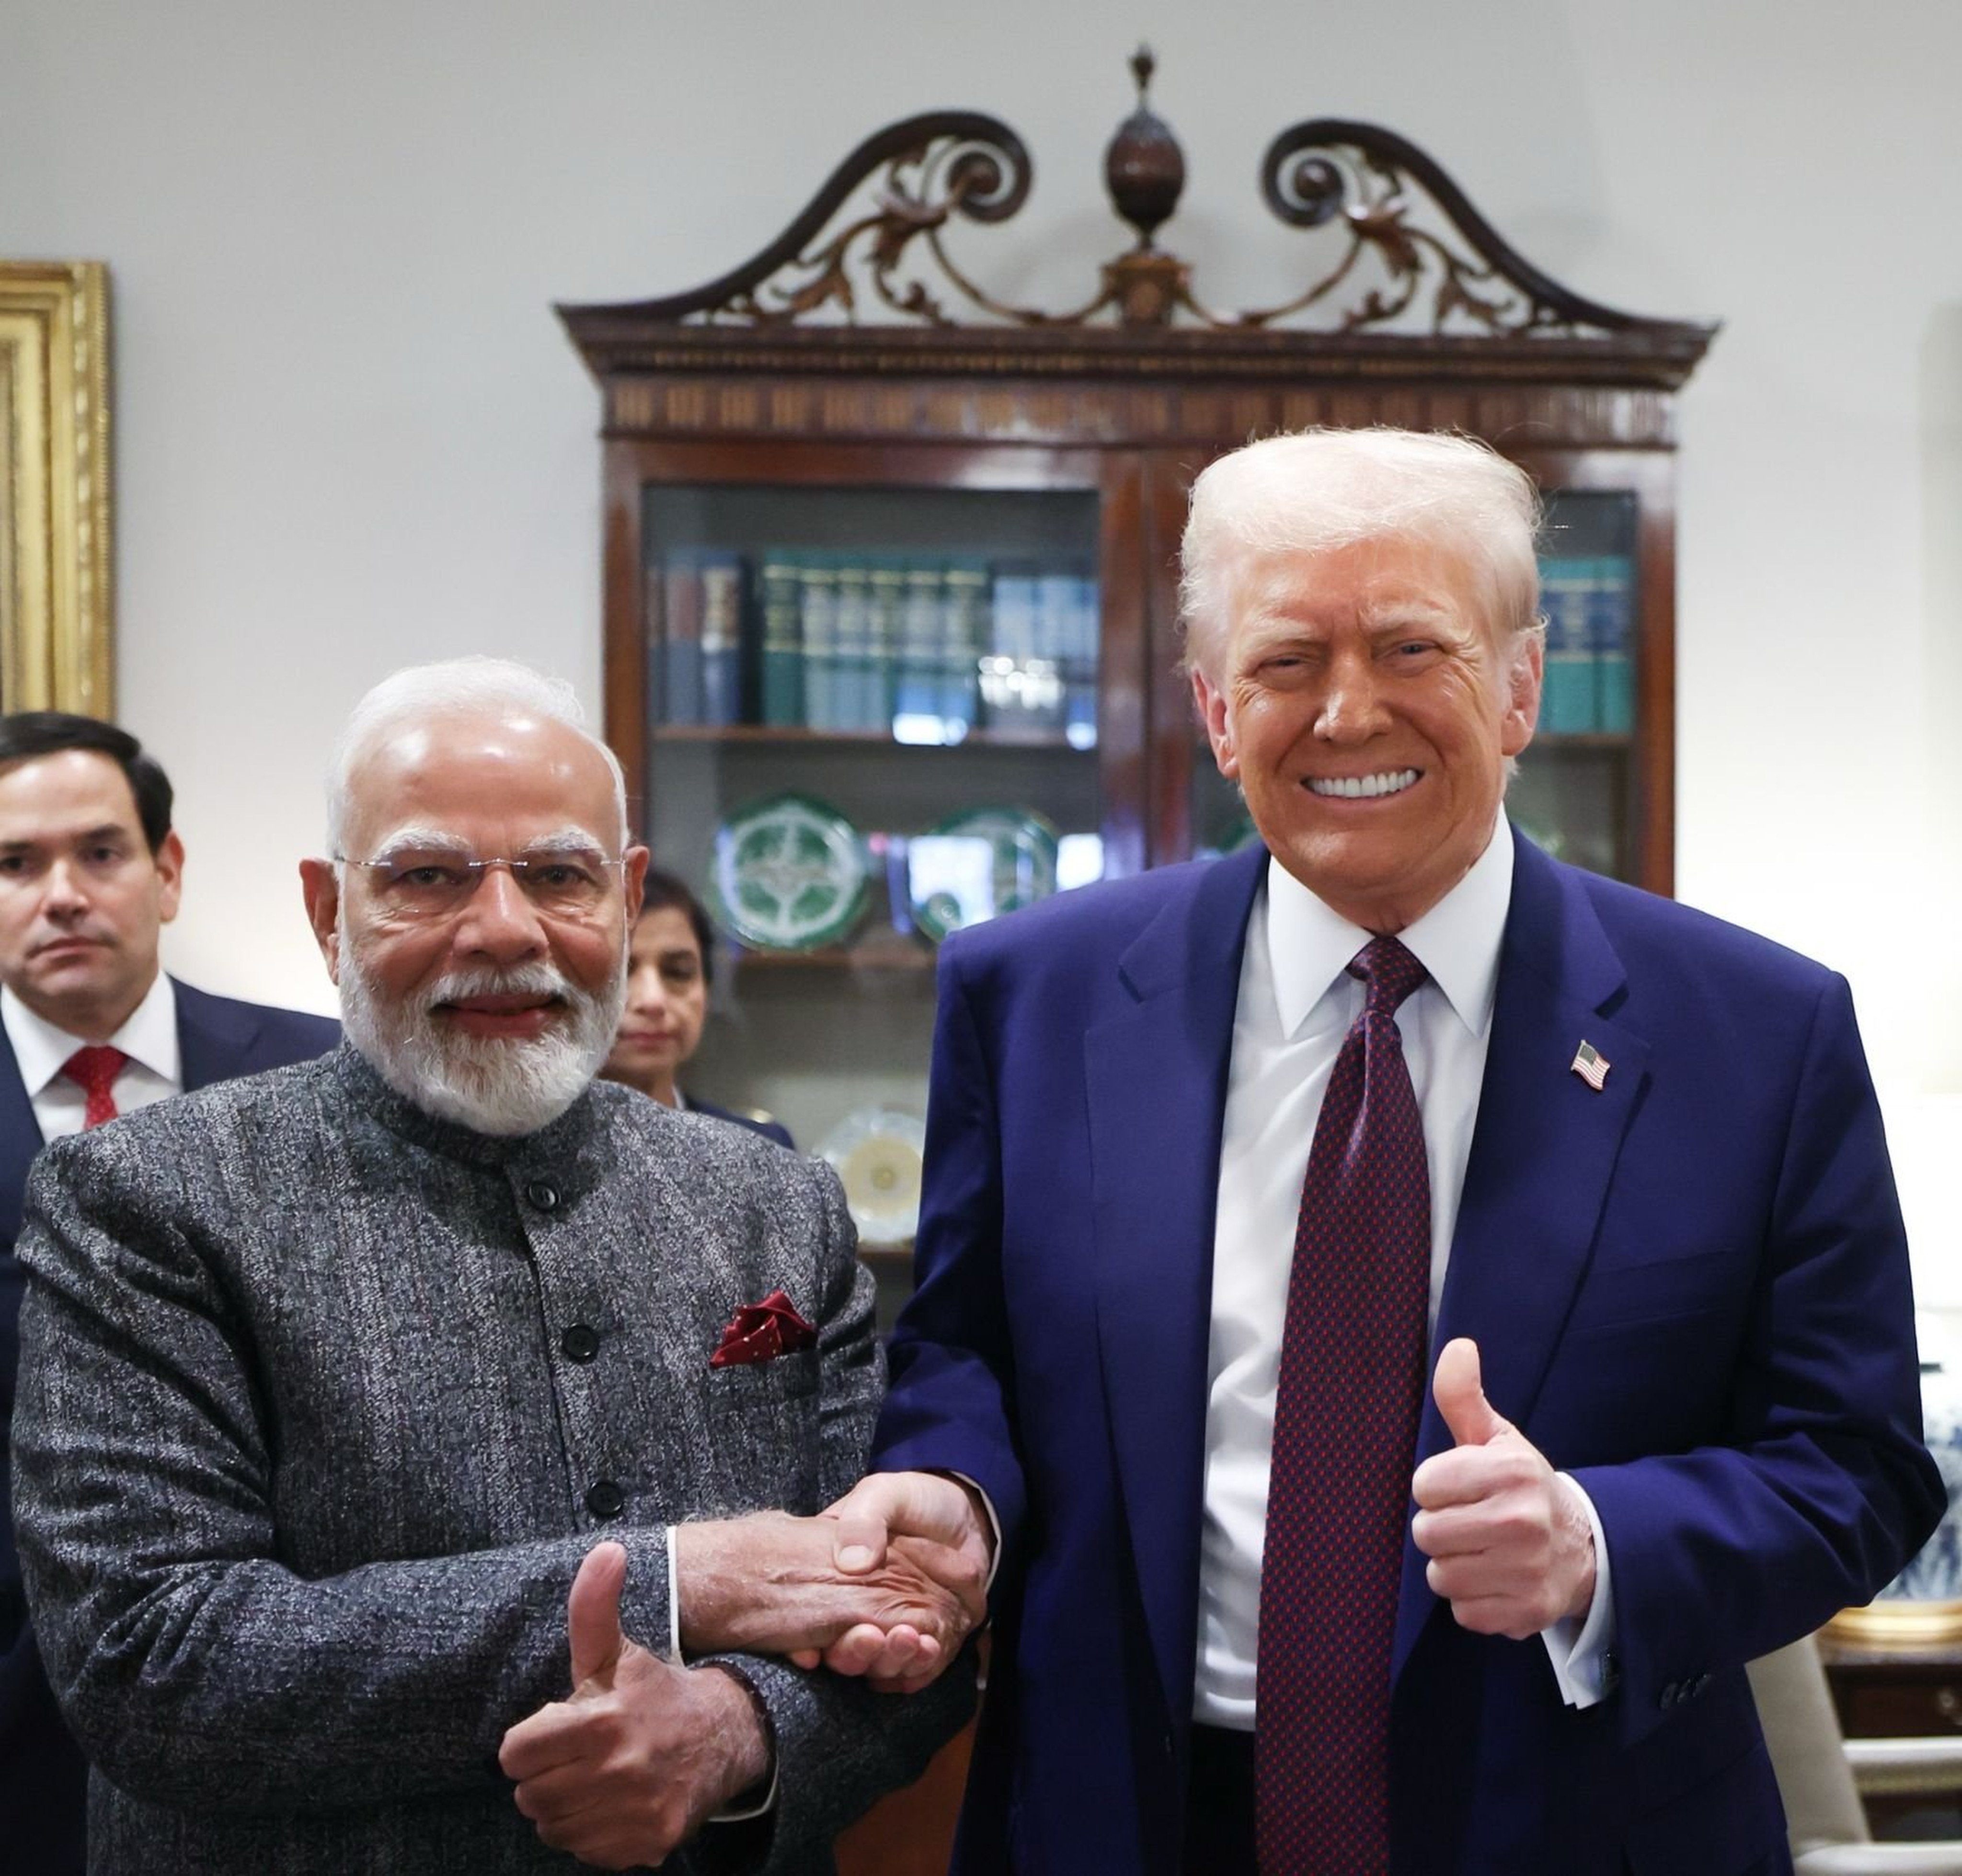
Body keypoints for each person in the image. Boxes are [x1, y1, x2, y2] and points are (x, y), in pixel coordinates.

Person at [822, 429, 1944, 1874]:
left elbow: (1856, 1465)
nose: (1349, 713)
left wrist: (1600, 1541)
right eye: (1289, 663)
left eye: (1414, 648)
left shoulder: (1756, 1030)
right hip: (1126, 1818)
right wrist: (953, 1491)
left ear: (1523, 684)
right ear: (1219, 712)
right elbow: (966, 1351)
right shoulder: (1032, 996)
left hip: (1573, 1824)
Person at [11, 659, 975, 1875]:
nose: (508, 928)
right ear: (328, 909)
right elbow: (150, 1659)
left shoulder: (772, 1199)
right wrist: (683, 1582)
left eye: (560, 874)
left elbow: (902, 1624)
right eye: (429, 875)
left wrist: (734, 1735)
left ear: (625, 897)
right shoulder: (148, 1197)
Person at [0, 709, 338, 1876]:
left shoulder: (323, 1076)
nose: (61, 894)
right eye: (14, 863)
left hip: (281, 1674)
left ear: (168, 869)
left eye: (100, 852)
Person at [602, 867, 793, 1147]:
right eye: (620, 974)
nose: (653, 1001)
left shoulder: (761, 1149)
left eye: (678, 972)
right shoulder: (524, 1154)